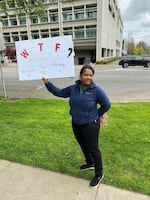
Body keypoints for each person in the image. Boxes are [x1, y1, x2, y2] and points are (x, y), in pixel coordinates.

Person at [42, 65, 111, 187]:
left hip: (90, 124)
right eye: (86, 75)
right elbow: (60, 92)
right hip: (76, 122)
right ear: (80, 76)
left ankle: (99, 174)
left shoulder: (96, 90)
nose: (88, 77)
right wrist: (48, 83)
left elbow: (106, 104)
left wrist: (96, 115)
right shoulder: (73, 88)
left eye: (90, 75)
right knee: (83, 144)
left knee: (93, 149)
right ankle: (90, 163)